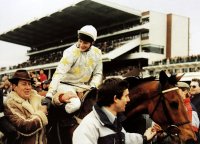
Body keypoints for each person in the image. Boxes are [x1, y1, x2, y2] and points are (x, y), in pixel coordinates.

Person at [73, 77, 156, 144]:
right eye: (126, 96)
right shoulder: (87, 127)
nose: (129, 100)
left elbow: (124, 138)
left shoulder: (114, 120)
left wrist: (144, 138)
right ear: (115, 98)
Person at [42, 25, 103, 114]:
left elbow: (98, 73)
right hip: (65, 85)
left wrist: (93, 87)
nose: (81, 45)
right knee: (75, 105)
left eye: (85, 43)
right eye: (80, 41)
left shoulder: (97, 53)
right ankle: (56, 116)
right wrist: (49, 95)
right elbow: (59, 73)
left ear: (92, 43)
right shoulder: (70, 52)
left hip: (83, 86)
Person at [4, 69, 48, 144]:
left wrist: (60, 98)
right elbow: (24, 126)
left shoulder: (36, 97)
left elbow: (51, 99)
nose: (28, 87)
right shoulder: (10, 103)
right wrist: (41, 113)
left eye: (29, 84)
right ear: (14, 86)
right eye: (24, 84)